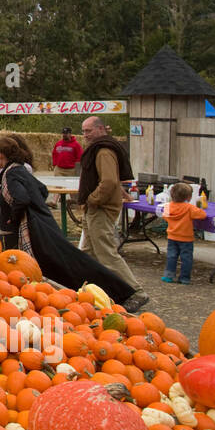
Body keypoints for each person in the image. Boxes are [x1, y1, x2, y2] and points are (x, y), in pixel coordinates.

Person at [0, 136, 143, 308]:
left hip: (36, 230)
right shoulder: (19, 169)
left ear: (0, 154)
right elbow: (41, 191)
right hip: (44, 223)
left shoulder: (11, 173)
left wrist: (13, 217)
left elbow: (21, 199)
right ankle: (111, 292)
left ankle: (121, 291)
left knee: (69, 265)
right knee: (72, 261)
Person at [75, 116, 145, 307]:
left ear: (100, 129)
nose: (85, 135)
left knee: (106, 254)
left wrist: (92, 199)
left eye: (88, 131)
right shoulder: (100, 149)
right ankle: (83, 291)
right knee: (88, 253)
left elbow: (109, 182)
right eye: (83, 131)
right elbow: (112, 180)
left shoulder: (104, 151)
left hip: (101, 208)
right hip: (95, 208)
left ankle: (136, 292)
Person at [162, 182, 207, 285]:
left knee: (171, 256)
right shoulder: (189, 208)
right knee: (186, 258)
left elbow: (164, 216)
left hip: (172, 236)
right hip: (186, 238)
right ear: (189, 197)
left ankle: (168, 276)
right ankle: (184, 278)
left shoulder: (168, 206)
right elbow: (202, 215)